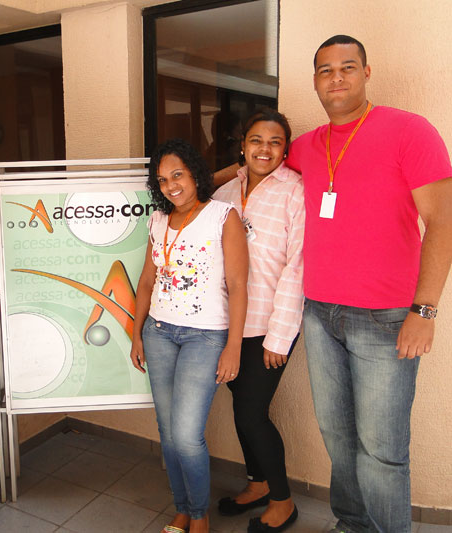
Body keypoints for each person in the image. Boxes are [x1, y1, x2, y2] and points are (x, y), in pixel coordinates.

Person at [215, 35, 452, 533]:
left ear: (366, 72)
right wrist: (192, 185)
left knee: (382, 449)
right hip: (320, 315)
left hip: (387, 318)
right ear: (315, 81)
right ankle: (352, 524)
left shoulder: (410, 131)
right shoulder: (306, 146)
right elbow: (253, 166)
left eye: (347, 67)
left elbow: (443, 223)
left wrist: (425, 310)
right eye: (325, 70)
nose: (336, 77)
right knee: (338, 437)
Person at [130, 138, 248, 533]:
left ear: (196, 173)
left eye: (177, 175)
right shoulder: (157, 220)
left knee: (185, 434)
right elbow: (146, 282)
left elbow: (238, 285)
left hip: (205, 337)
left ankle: (199, 515)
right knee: (167, 432)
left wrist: (234, 346)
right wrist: (137, 334)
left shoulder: (222, 216)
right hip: (159, 332)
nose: (171, 186)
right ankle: (182, 508)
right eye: (162, 180)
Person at [213, 109, 304, 533]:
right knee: (241, 406)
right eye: (256, 140)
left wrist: (279, 338)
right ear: (242, 145)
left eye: (275, 142)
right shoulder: (225, 192)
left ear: (285, 150)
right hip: (229, 323)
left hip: (269, 325)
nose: (264, 149)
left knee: (252, 413)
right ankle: (258, 483)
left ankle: (283, 501)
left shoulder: (295, 192)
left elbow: (297, 268)